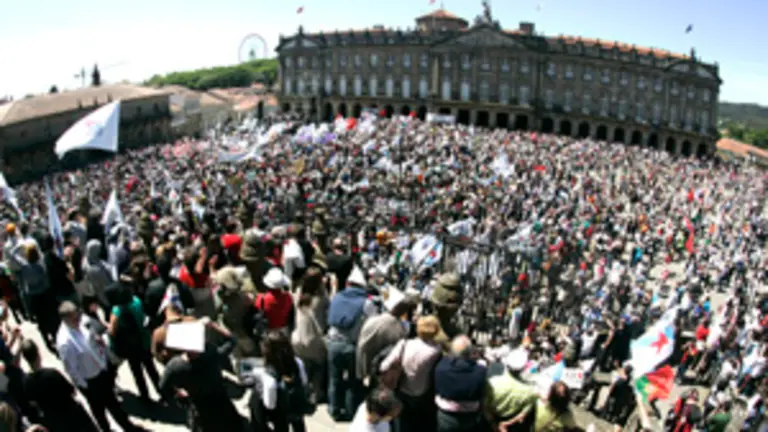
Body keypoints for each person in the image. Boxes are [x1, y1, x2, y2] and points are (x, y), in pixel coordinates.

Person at [55, 300, 145, 432]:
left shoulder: (82, 321)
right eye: (75, 318)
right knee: (99, 410)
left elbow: (92, 333)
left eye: (79, 315)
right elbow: (71, 369)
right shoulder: (65, 342)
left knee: (113, 404)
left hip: (102, 369)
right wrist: (85, 387)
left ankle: (127, 427)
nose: (79, 319)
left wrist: (99, 341)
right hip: (90, 381)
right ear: (66, 320)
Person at [157, 317, 244, 432]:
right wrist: (213, 325)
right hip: (222, 402)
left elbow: (163, 386)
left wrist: (178, 393)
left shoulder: (175, 366)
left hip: (200, 408)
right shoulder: (211, 353)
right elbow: (232, 340)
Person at [326, 266, 378, 421]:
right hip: (352, 346)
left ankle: (334, 410)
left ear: (348, 283)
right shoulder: (366, 303)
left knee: (334, 379)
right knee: (353, 381)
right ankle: (350, 411)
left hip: (333, 344)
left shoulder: (337, 297)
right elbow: (373, 321)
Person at [20, 339, 99, 432]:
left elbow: (34, 404)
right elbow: (72, 391)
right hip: (73, 415)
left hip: (56, 423)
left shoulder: (27, 382)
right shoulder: (52, 374)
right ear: (38, 353)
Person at [380, 315, 442, 432]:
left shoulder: (404, 344)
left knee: (401, 422)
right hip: (422, 393)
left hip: (402, 389)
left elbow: (384, 366)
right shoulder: (435, 350)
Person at [106, 281, 161, 403]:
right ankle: (162, 391)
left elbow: (112, 332)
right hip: (144, 341)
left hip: (131, 348)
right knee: (151, 369)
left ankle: (145, 397)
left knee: (138, 373)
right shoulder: (136, 301)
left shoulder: (116, 311)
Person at [250, 330, 312, 432]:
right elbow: (304, 382)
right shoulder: (297, 362)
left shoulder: (266, 374)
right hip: (295, 405)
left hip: (279, 412)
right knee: (299, 424)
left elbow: (270, 404)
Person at [433, 335, 488, 432]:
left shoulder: (441, 367)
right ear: (470, 352)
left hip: (446, 417)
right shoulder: (480, 371)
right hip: (469, 418)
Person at [484, 348, 538, 432]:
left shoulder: (492, 382)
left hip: (491, 420)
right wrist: (506, 424)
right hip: (510, 424)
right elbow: (523, 414)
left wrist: (493, 424)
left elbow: (485, 406)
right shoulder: (529, 391)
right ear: (523, 368)